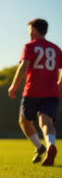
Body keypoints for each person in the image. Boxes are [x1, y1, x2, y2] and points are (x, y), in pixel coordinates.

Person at [8, 18, 61, 166]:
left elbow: (24, 65)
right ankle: (50, 144)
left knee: (24, 121)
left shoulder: (30, 46)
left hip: (32, 91)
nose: (29, 33)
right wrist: (59, 84)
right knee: (46, 122)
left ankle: (39, 147)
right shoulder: (56, 48)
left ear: (35, 30)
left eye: (30, 30)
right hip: (52, 92)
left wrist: (14, 85)